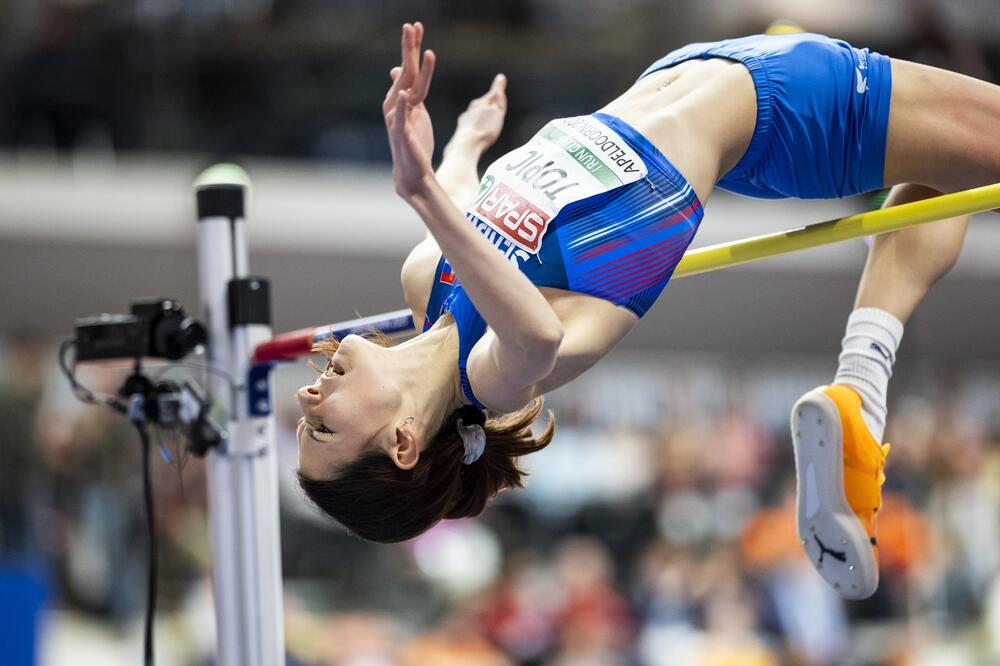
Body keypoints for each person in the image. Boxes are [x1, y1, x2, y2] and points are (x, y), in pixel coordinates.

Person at [296, 23, 999, 598]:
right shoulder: (494, 375)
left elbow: (460, 202)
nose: (308, 393)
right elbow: (534, 332)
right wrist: (420, 193)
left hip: (701, 74)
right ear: (402, 443)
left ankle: (863, 394)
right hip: (783, 109)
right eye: (322, 426)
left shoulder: (429, 279)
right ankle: (863, 392)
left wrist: (460, 146)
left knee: (943, 177)